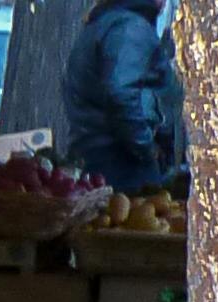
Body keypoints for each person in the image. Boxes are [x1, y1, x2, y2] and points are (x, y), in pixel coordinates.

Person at [62, 0, 181, 191]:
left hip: (100, 156)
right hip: (121, 164)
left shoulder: (109, 23)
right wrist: (146, 149)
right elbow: (120, 94)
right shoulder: (130, 28)